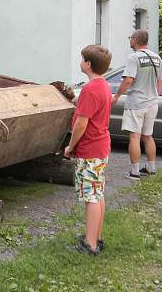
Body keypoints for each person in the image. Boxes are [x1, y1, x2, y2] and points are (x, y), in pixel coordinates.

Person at [64, 45, 112, 255]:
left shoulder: (90, 89)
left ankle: (90, 245)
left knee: (90, 196)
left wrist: (70, 146)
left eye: (82, 59)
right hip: (101, 147)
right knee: (97, 192)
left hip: (90, 149)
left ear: (89, 64)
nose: (80, 61)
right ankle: (96, 237)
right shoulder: (102, 85)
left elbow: (81, 124)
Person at [112, 29, 162, 179]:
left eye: (131, 38)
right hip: (152, 103)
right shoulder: (157, 58)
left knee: (134, 137)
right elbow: (159, 81)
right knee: (148, 136)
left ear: (135, 39)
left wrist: (117, 96)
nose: (130, 40)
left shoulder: (133, 58)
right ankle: (151, 168)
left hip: (136, 103)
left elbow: (128, 80)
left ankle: (134, 172)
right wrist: (154, 95)